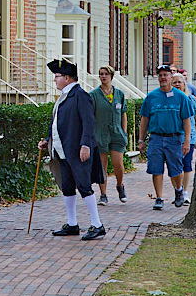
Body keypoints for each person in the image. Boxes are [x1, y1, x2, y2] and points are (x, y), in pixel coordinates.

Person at [38, 58, 106, 240]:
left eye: (57, 76)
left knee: (84, 186)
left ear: (67, 78)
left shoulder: (81, 95)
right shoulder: (63, 96)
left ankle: (97, 224)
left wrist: (85, 145)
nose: (55, 80)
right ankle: (72, 224)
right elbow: (58, 122)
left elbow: (89, 122)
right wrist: (47, 140)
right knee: (67, 187)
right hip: (62, 150)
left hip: (77, 150)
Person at [138, 64, 196, 210]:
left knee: (176, 169)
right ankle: (159, 198)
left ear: (171, 77)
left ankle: (178, 190)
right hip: (156, 138)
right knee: (156, 169)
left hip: (174, 138)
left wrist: (186, 141)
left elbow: (186, 120)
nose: (163, 78)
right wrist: (141, 140)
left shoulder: (181, 97)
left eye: (166, 75)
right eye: (160, 75)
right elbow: (144, 119)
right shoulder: (151, 97)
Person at [89, 66, 129, 205]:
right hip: (100, 133)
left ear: (111, 76)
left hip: (116, 133)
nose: (103, 76)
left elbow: (123, 113)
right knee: (102, 165)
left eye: (106, 74)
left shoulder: (119, 94)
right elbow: (90, 116)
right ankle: (103, 194)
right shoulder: (94, 95)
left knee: (118, 163)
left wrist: (124, 132)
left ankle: (120, 185)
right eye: (101, 74)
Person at [173, 72, 196, 205]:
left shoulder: (190, 98)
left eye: (179, 82)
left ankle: (186, 192)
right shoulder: (169, 98)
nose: (177, 84)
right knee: (174, 166)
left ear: (184, 84)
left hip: (189, 137)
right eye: (174, 82)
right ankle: (177, 191)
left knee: (187, 164)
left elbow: (195, 115)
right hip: (173, 136)